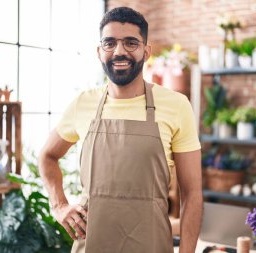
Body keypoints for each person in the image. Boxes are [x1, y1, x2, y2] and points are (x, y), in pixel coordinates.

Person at [38, 6, 202, 253]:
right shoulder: (83, 103)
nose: (119, 51)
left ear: (146, 51)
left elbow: (192, 194)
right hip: (91, 244)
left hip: (152, 245)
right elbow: (47, 156)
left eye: (130, 43)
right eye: (110, 43)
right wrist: (59, 206)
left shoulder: (176, 105)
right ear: (99, 51)